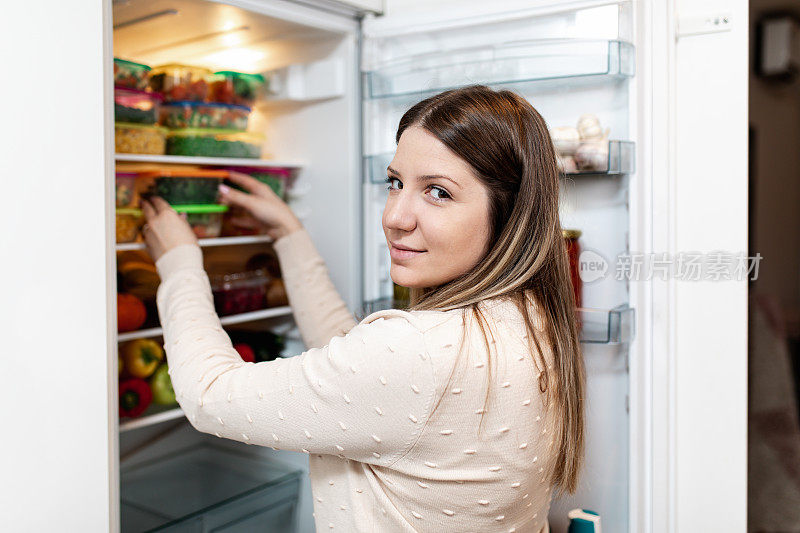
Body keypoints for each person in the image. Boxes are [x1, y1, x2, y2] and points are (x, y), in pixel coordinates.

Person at [141, 84, 584, 533]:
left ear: (509, 215)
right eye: (396, 183)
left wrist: (178, 262)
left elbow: (209, 394)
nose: (395, 216)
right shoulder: (531, 317)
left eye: (438, 192)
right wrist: (288, 236)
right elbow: (365, 377)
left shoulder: (423, 354)